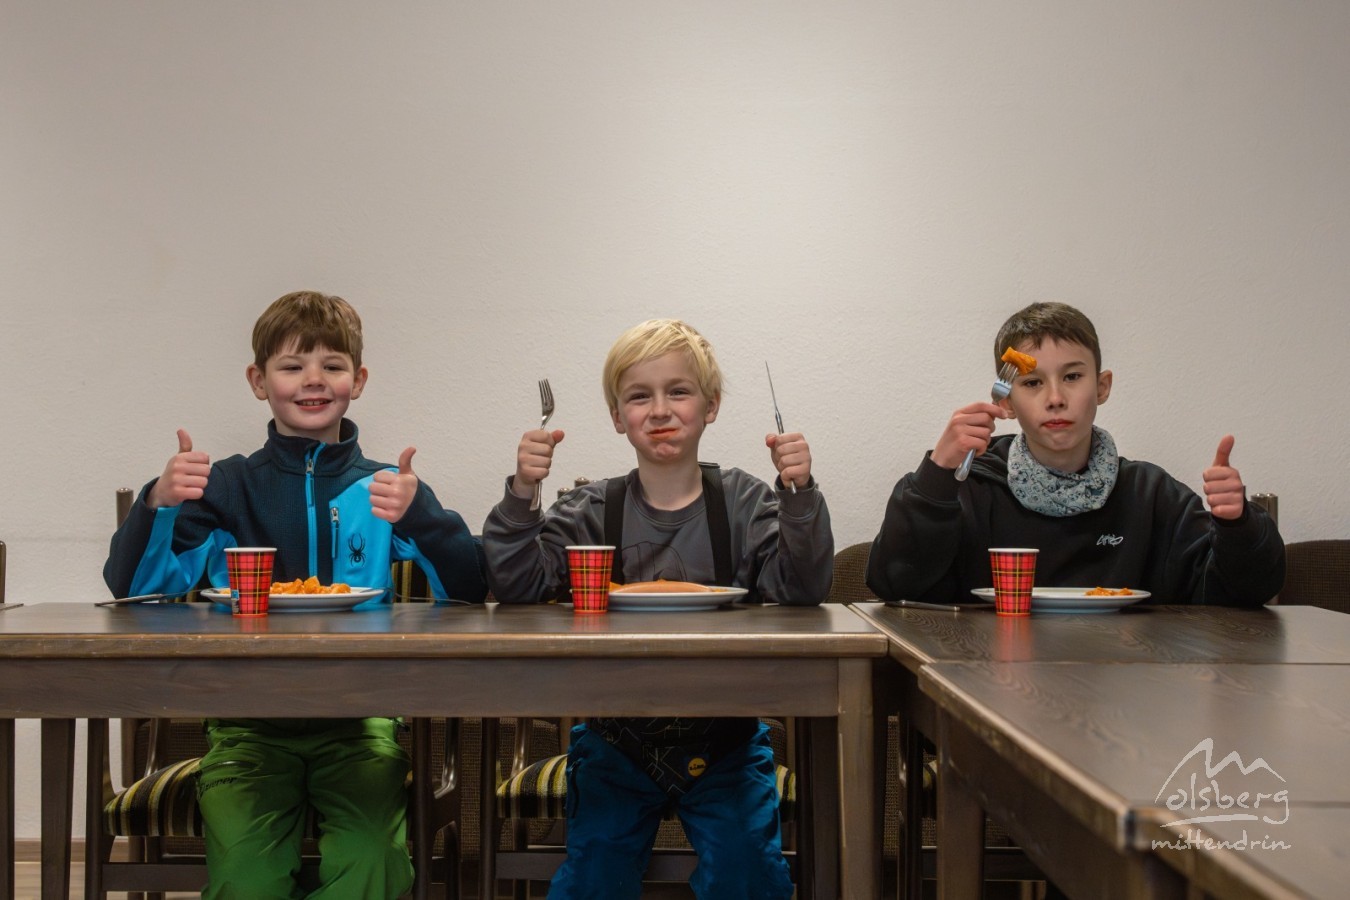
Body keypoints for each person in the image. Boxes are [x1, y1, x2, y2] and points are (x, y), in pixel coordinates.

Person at [104, 290, 488, 900]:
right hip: (247, 727)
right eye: (292, 366)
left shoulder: (384, 487)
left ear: (358, 380)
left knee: (374, 862)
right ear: (259, 381)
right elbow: (131, 591)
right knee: (247, 877)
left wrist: (422, 517)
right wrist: (159, 501)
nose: (313, 379)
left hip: (361, 724)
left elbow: (469, 590)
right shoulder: (226, 487)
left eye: (332, 365)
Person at [482, 318, 832, 899]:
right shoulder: (590, 509)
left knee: (749, 874)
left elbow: (802, 588)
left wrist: (800, 495)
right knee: (592, 881)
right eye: (640, 396)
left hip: (727, 738)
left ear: (710, 406)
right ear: (618, 417)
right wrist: (523, 492)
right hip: (614, 740)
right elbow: (517, 586)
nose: (660, 410)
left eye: (679, 391)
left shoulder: (746, 502)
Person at [867, 301, 1284, 607]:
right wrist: (937, 473)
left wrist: (1237, 524)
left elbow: (1244, 594)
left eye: (1071, 376)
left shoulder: (1149, 495)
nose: (1055, 398)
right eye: (1032, 382)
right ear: (1006, 402)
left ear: (1102, 387)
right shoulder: (968, 488)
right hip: (988, 679)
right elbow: (893, 585)